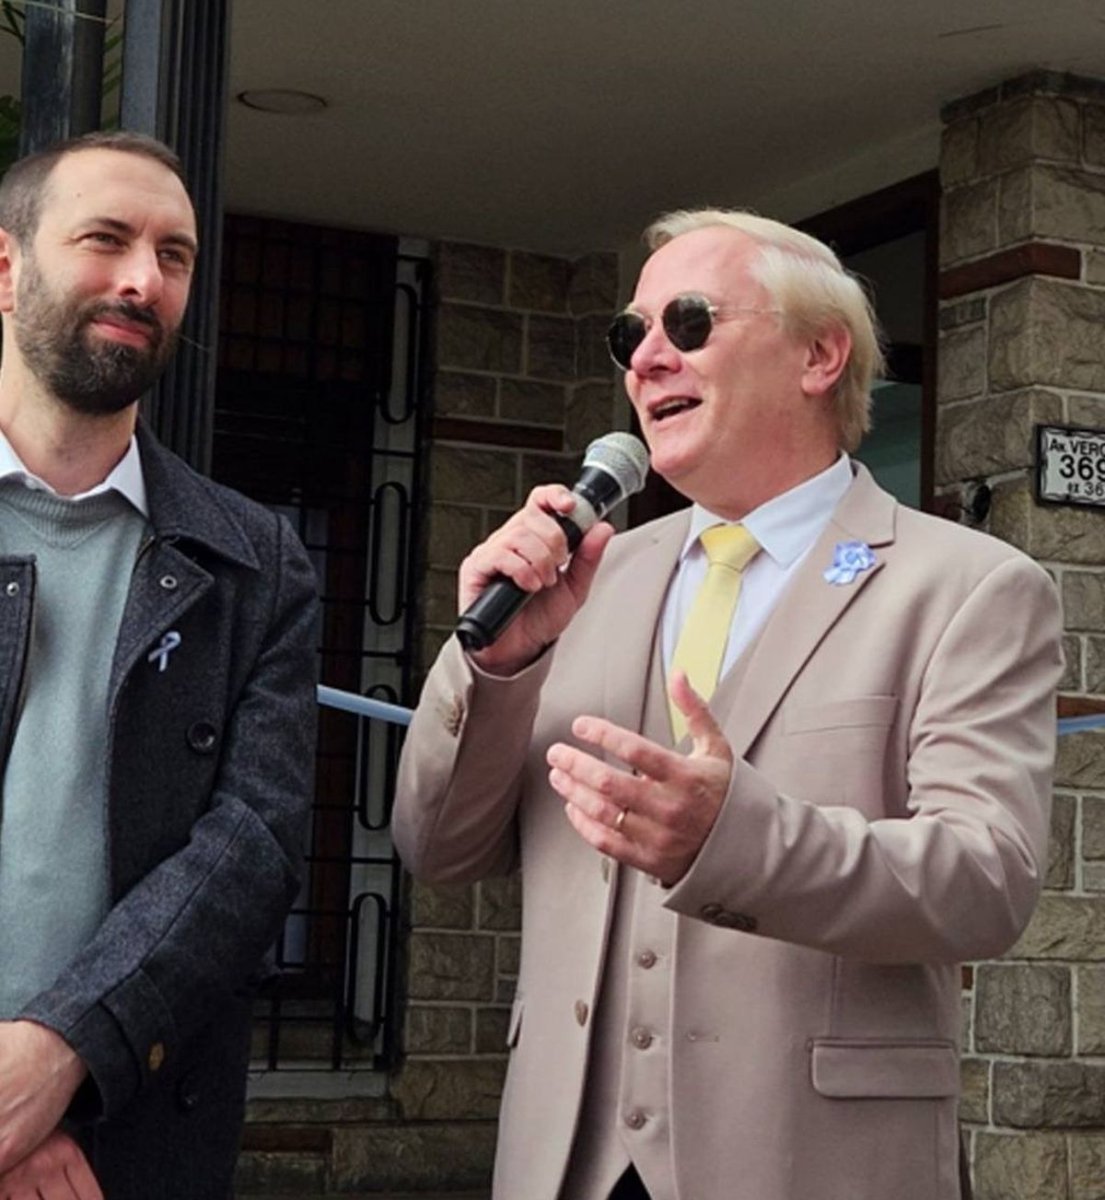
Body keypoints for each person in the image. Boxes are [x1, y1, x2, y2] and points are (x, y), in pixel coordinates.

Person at [393, 209, 1063, 1200]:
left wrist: (738, 837)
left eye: (689, 322)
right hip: (565, 1164)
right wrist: (491, 670)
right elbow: (436, 847)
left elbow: (984, 880)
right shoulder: (588, 579)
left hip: (809, 1162)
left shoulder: (967, 586)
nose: (647, 358)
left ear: (820, 356)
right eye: (631, 336)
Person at [0, 131, 318, 1199]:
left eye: (174, 255)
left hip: (125, 1147)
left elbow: (253, 846)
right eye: (107, 239)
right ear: (6, 268)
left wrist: (59, 1060)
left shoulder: (252, 559)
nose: (144, 279)